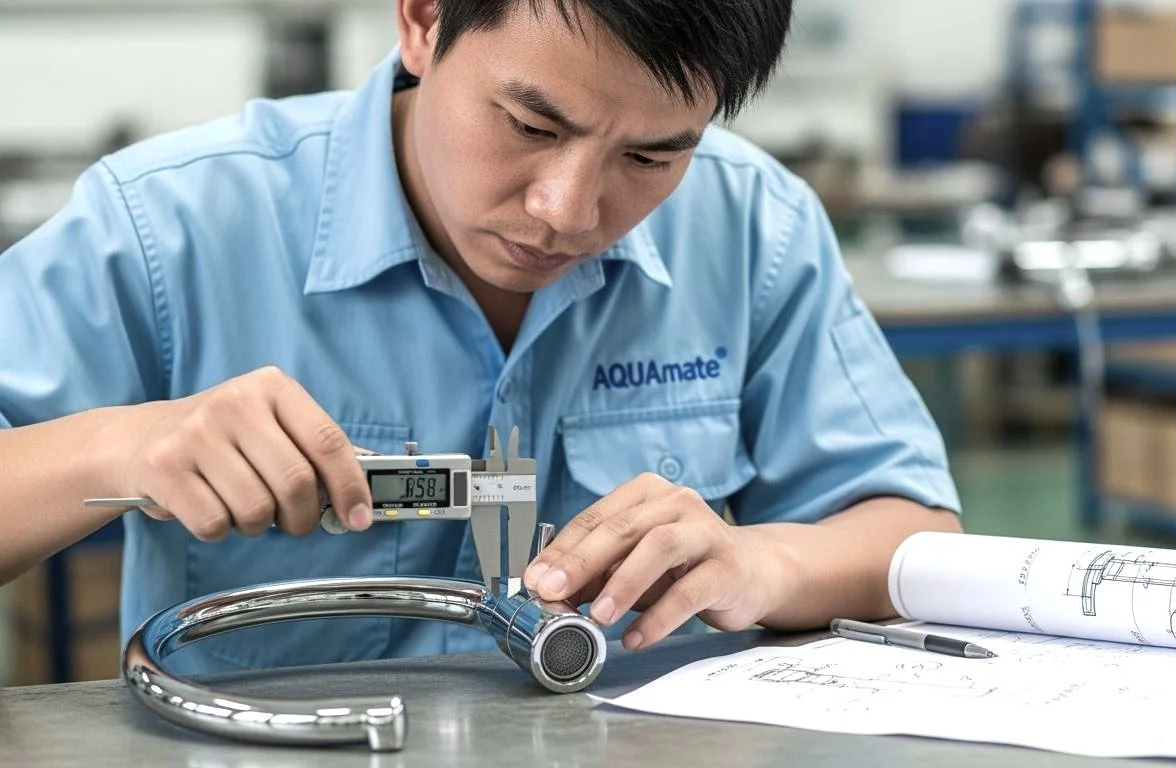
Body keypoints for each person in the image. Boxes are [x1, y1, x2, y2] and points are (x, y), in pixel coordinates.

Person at [0, 0, 961, 675]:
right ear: (423, 20)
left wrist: (763, 563)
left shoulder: (754, 226)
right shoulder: (169, 227)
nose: (568, 210)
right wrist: (118, 446)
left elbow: (915, 536)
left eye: (648, 156)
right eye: (531, 125)